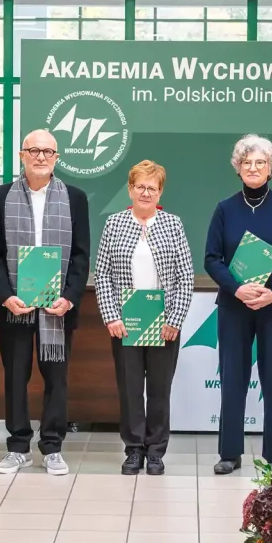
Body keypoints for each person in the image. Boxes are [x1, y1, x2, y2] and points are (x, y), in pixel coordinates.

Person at [0, 129, 91, 476]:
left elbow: (80, 255)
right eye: (34, 150)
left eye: (48, 151)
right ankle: (17, 447)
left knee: (56, 378)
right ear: (21, 155)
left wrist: (70, 298)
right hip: (16, 305)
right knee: (15, 377)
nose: (41, 157)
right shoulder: (0, 198)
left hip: (57, 308)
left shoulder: (75, 198)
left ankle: (53, 447)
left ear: (57, 158)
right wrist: (6, 297)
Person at [205, 135, 272, 475]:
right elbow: (211, 259)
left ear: (270, 168)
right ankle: (229, 453)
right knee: (233, 379)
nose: (253, 167)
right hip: (235, 307)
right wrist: (237, 288)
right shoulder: (224, 209)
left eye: (260, 162)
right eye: (246, 162)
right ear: (238, 168)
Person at [95, 160, 194, 476]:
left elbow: (185, 276)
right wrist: (111, 316)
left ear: (160, 191)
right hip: (126, 322)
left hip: (164, 321)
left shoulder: (172, 224)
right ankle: (133, 450)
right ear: (130, 189)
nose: (146, 192)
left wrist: (175, 319)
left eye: (152, 187)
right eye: (140, 186)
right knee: (130, 388)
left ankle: (156, 451)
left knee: (160, 390)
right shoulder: (114, 224)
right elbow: (103, 275)